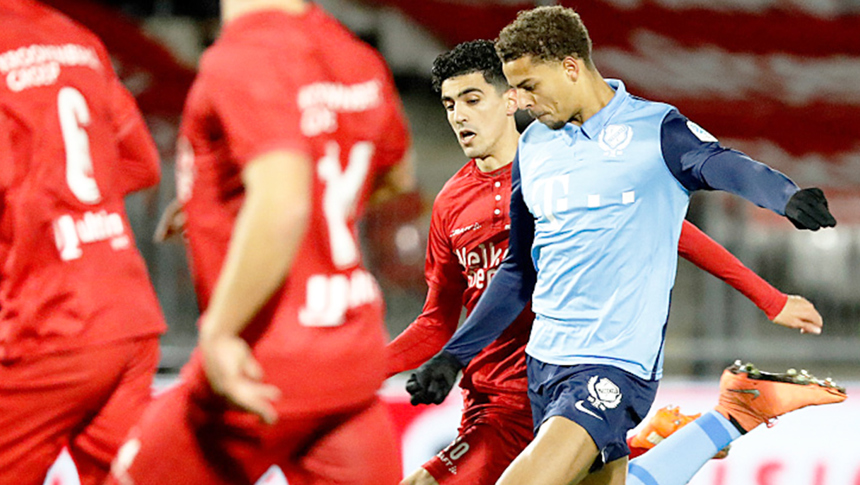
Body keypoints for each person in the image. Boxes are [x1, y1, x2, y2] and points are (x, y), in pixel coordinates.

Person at [407, 7, 845, 485]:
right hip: (545, 364)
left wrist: (784, 196)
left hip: (613, 363)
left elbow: (722, 164)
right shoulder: (535, 147)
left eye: (530, 87)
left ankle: (730, 416)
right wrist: (455, 355)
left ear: (570, 68)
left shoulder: (653, 131)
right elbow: (518, 271)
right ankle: (731, 415)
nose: (524, 103)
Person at [106, 0, 414, 483]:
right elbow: (396, 172)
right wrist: (225, 195)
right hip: (350, 361)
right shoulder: (351, 52)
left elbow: (284, 202)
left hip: (265, 362)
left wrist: (220, 332)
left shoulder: (244, 56)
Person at [0, 1, 166, 484]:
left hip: (50, 320)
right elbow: (142, 163)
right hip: (126, 317)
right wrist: (73, 213)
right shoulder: (76, 38)